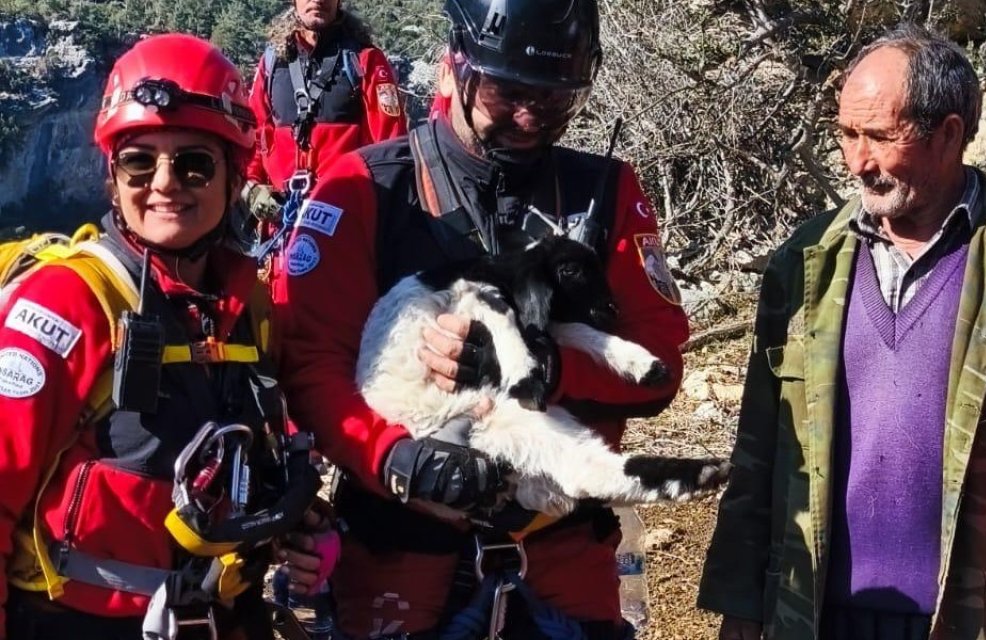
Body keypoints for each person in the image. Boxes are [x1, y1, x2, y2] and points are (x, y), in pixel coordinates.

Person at [273, 0, 689, 637]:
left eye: (554, 102)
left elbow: (659, 368)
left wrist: (548, 370)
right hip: (402, 554)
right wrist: (393, 456)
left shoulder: (607, 194)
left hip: (563, 554)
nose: (528, 117)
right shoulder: (365, 188)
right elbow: (308, 362)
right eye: (507, 92)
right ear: (453, 66)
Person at [698, 24, 986, 640]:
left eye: (880, 137)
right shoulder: (805, 264)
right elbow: (758, 457)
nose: (858, 160)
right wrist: (741, 611)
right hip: (813, 616)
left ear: (949, 134)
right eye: (845, 134)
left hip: (979, 620)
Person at [0, 34, 320, 640]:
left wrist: (293, 529)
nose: (166, 183)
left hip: (221, 616)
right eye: (139, 162)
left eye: (195, 163)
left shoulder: (248, 308)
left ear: (233, 178)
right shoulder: (69, 302)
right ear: (113, 180)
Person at [241, 0, 407, 244]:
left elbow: (391, 147)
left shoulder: (365, 61)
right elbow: (254, 136)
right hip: (281, 226)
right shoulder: (272, 62)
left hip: (345, 228)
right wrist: (252, 189)